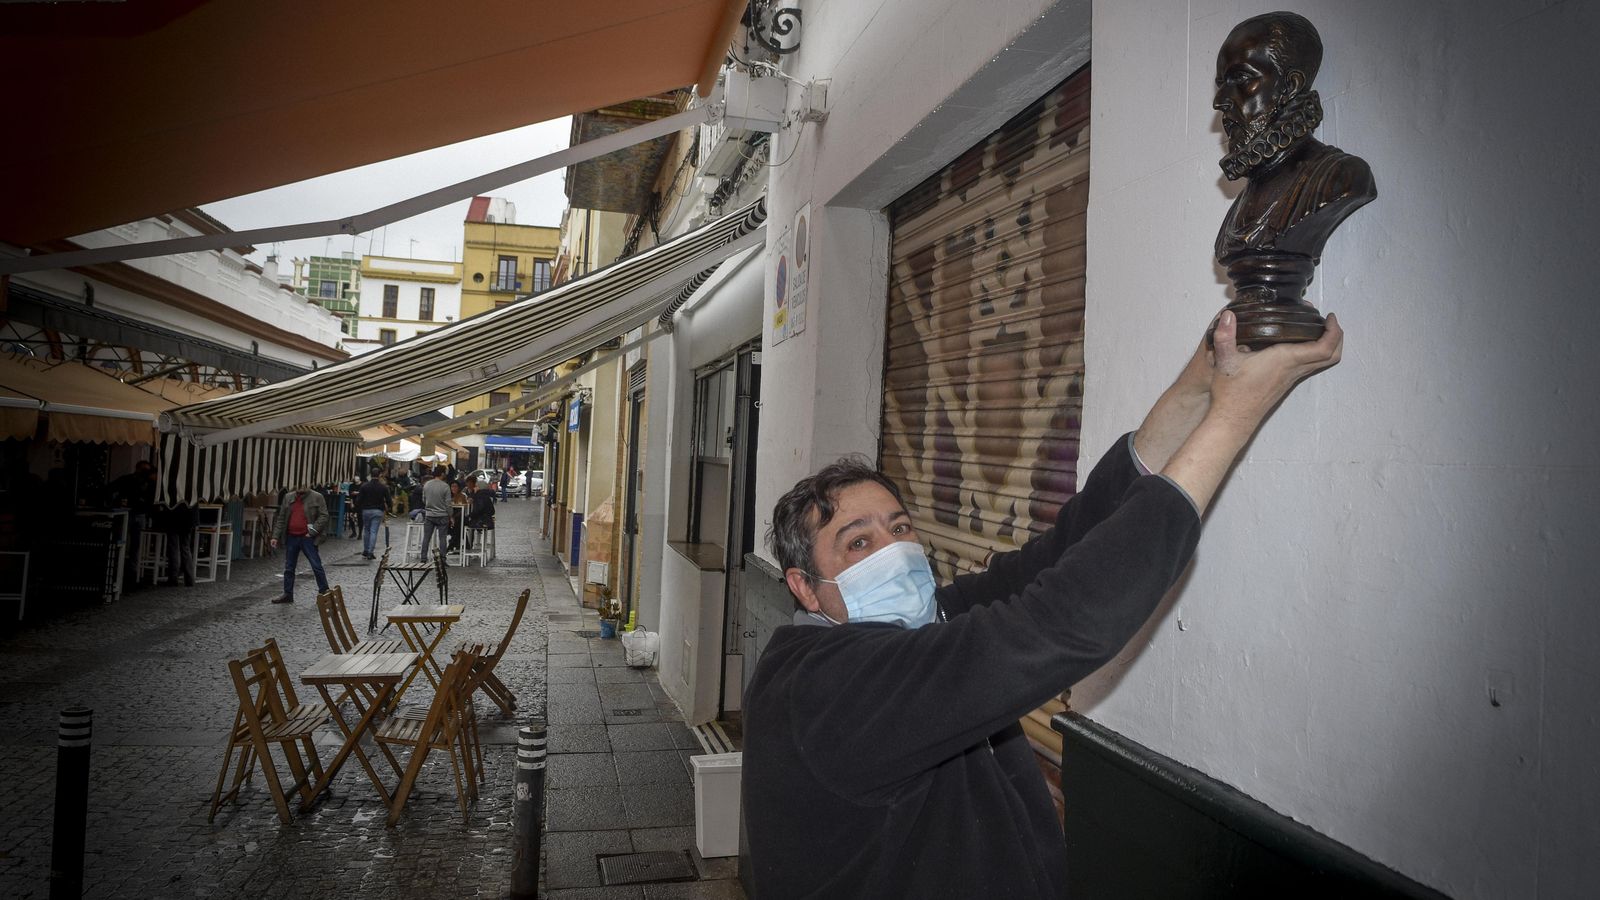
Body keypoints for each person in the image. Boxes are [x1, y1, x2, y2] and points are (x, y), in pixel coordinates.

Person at [742, 311, 1344, 898]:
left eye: (900, 528)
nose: (893, 552)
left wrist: (1200, 379)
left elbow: (1062, 553)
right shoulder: (831, 690)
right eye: (858, 542)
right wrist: (1236, 414)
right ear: (802, 586)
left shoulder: (916, 628)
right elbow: (1060, 621)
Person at [269, 485, 329, 604]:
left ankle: (324, 592)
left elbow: (324, 515)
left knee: (316, 565)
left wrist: (313, 532)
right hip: (292, 536)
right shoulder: (288, 497)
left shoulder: (317, 497)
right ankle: (288, 594)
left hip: (307, 538)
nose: (300, 487)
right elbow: (281, 518)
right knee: (289, 567)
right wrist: (275, 536)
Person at [154, 500, 195, 588]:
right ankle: (189, 579)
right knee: (185, 548)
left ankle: (173, 578)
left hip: (174, 517)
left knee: (174, 548)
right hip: (188, 518)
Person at [418, 466, 452, 564]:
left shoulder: (427, 485)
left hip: (429, 514)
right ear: (442, 474)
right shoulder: (445, 486)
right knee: (442, 538)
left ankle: (423, 557)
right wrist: (450, 515)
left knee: (426, 537)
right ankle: (442, 559)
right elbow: (448, 504)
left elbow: (424, 499)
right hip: (442, 515)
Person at [354, 471, 390, 561]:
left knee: (367, 530)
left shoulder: (364, 486)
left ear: (370, 475)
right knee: (373, 531)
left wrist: (357, 508)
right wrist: (389, 508)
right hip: (378, 511)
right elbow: (389, 500)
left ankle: (366, 550)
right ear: (379, 475)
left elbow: (359, 500)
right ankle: (370, 552)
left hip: (366, 510)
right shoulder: (383, 487)